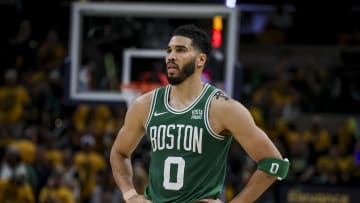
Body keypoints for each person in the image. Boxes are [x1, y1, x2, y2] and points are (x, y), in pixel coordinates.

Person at [110, 24, 289, 203]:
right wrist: (130, 194)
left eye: (180, 50)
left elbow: (274, 164)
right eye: (169, 50)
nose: (171, 56)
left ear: (200, 60)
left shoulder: (223, 108)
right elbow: (119, 152)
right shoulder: (145, 105)